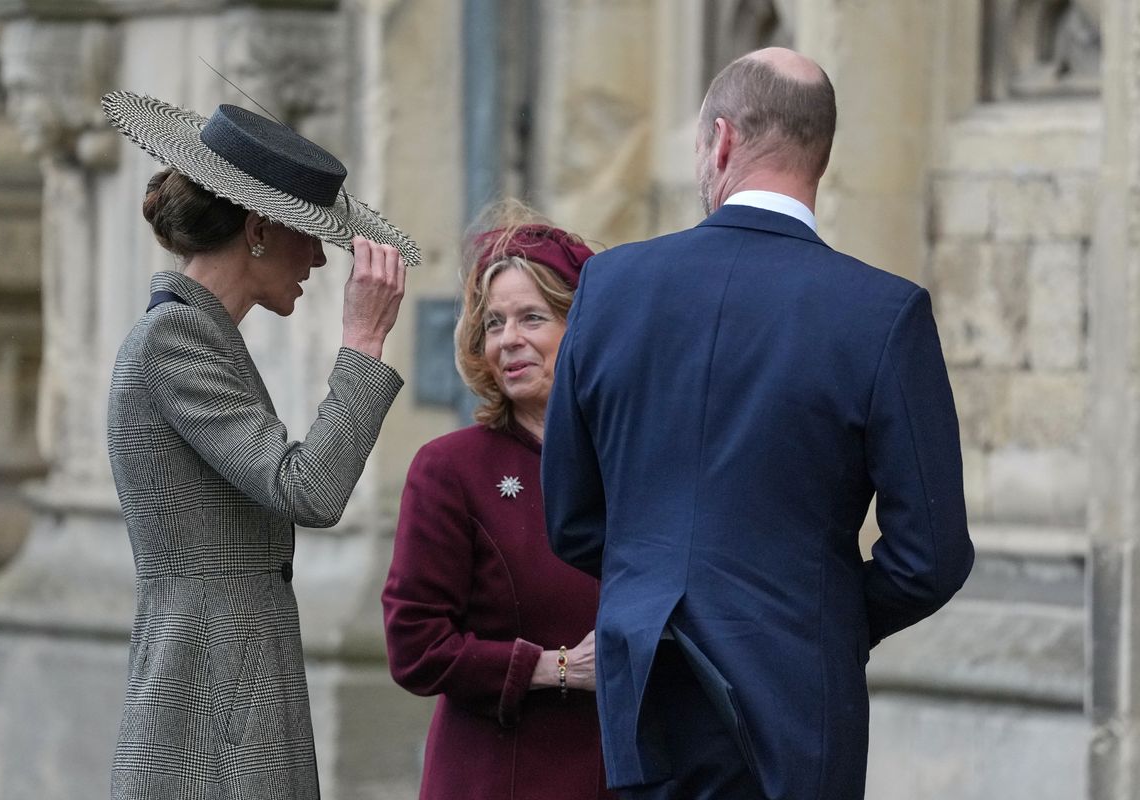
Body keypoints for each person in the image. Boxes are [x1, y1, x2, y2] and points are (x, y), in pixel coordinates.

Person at [541, 48, 975, 800]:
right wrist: (822, 620)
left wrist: (655, 584)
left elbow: (573, 517)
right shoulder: (881, 313)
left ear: (720, 141)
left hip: (644, 689)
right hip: (798, 697)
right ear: (822, 156)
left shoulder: (610, 287)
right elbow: (931, 555)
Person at [101, 91, 419, 800]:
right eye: (308, 233)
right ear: (258, 229)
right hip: (205, 705)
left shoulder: (200, 337)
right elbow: (308, 489)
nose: (316, 258)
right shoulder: (174, 339)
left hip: (228, 691)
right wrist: (362, 342)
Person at [381, 200, 614, 799]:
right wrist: (555, 668)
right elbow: (415, 645)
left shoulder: (634, 464)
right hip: (496, 775)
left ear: (582, 328)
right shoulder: (451, 469)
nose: (508, 340)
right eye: (493, 323)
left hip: (622, 773)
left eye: (532, 318)